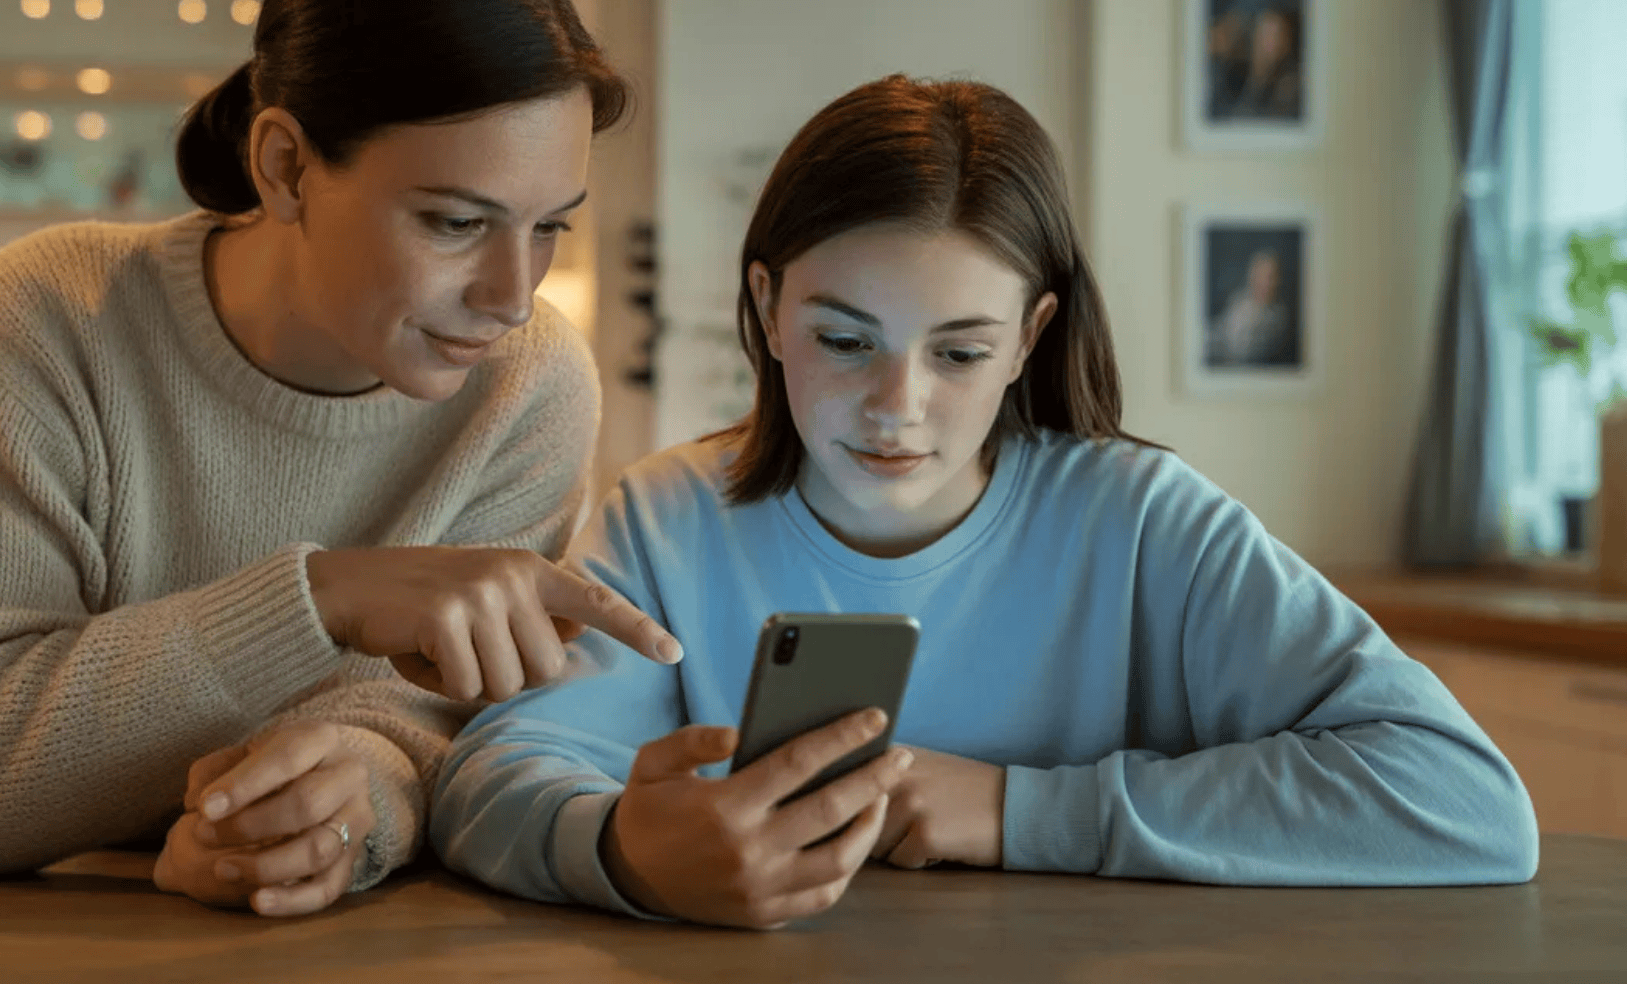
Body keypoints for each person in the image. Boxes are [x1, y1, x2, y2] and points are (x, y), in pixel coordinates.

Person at [430, 76, 1538, 930]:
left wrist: (1015, 811)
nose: (893, 409)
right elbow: (488, 780)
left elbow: (1463, 799)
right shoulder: (669, 519)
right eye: (843, 340)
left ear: (1031, 340)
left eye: (957, 351)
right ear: (767, 309)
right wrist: (624, 851)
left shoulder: (1145, 524)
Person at [0, 0, 681, 919]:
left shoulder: (531, 382)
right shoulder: (48, 320)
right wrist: (321, 599)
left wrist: (345, 810)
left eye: (548, 228)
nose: (510, 295)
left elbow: (448, 730)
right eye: (455, 222)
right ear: (285, 165)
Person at [1208, 247, 1298, 366]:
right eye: (1259, 275)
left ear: (1277, 280)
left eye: (1270, 277)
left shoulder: (1277, 316)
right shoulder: (1239, 299)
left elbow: (1241, 351)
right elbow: (1222, 329)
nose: (1264, 282)